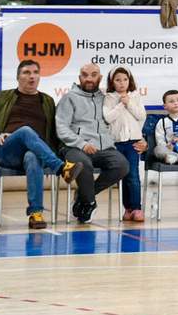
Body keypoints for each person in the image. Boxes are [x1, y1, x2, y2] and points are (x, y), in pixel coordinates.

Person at [0, 58, 70, 230]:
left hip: (36, 152)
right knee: (25, 131)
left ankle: (35, 213)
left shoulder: (47, 101)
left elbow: (55, 133)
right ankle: (61, 168)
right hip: (7, 150)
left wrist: (62, 150)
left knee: (32, 156)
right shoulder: (2, 98)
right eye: (26, 72)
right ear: (18, 77)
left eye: (35, 72)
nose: (32, 76)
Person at [53, 63, 131, 224]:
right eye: (85, 75)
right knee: (83, 164)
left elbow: (122, 119)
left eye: (94, 75)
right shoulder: (69, 98)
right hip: (74, 147)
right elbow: (61, 127)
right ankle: (89, 203)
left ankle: (83, 196)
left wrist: (139, 137)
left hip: (103, 147)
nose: (89, 78)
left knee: (122, 165)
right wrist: (82, 144)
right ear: (79, 77)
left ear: (100, 78)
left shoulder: (106, 98)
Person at [102, 66, 148, 222]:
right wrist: (121, 104)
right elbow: (108, 118)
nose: (122, 83)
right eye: (117, 80)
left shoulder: (135, 96)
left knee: (133, 175)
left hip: (132, 142)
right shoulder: (109, 97)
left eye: (125, 79)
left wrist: (128, 102)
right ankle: (127, 208)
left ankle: (136, 208)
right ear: (112, 82)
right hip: (117, 143)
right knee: (123, 174)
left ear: (129, 80)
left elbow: (141, 115)